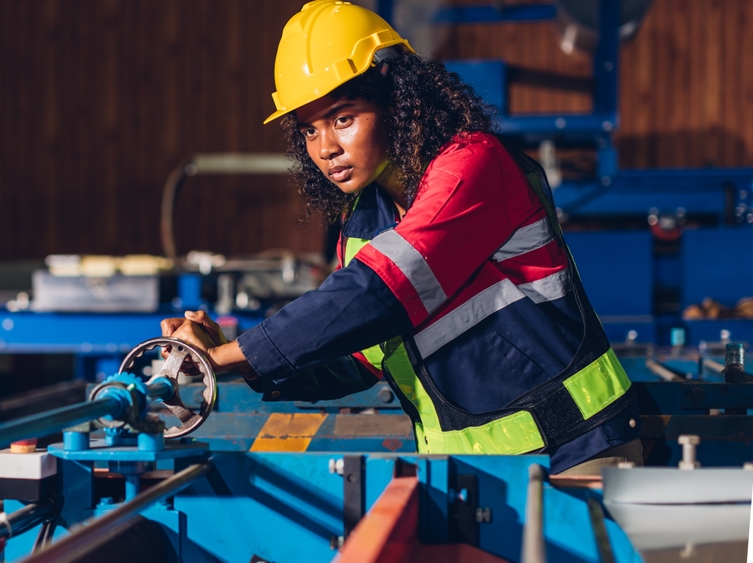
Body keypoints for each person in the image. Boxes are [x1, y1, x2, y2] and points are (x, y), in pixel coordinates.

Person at [161, 0, 641, 475]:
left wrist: (226, 355)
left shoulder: (473, 165)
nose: (326, 148)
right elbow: (360, 359)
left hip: (576, 446)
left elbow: (380, 291)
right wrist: (239, 360)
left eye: (343, 118)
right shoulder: (362, 224)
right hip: (472, 470)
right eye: (309, 129)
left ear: (397, 100)